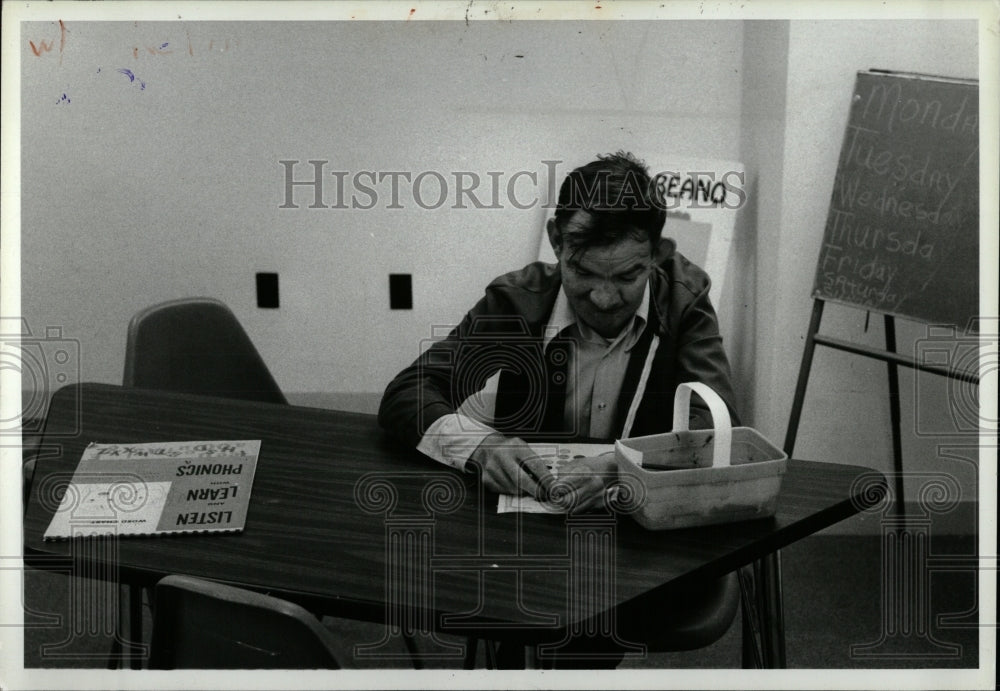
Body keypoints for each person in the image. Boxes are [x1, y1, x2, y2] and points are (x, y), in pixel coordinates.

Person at [379, 151, 739, 513]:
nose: (604, 298)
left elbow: (717, 424)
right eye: (583, 272)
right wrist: (480, 447)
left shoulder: (684, 300)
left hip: (643, 527)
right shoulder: (518, 299)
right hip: (529, 519)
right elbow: (409, 392)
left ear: (658, 255)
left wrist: (627, 465)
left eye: (628, 276)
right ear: (556, 241)